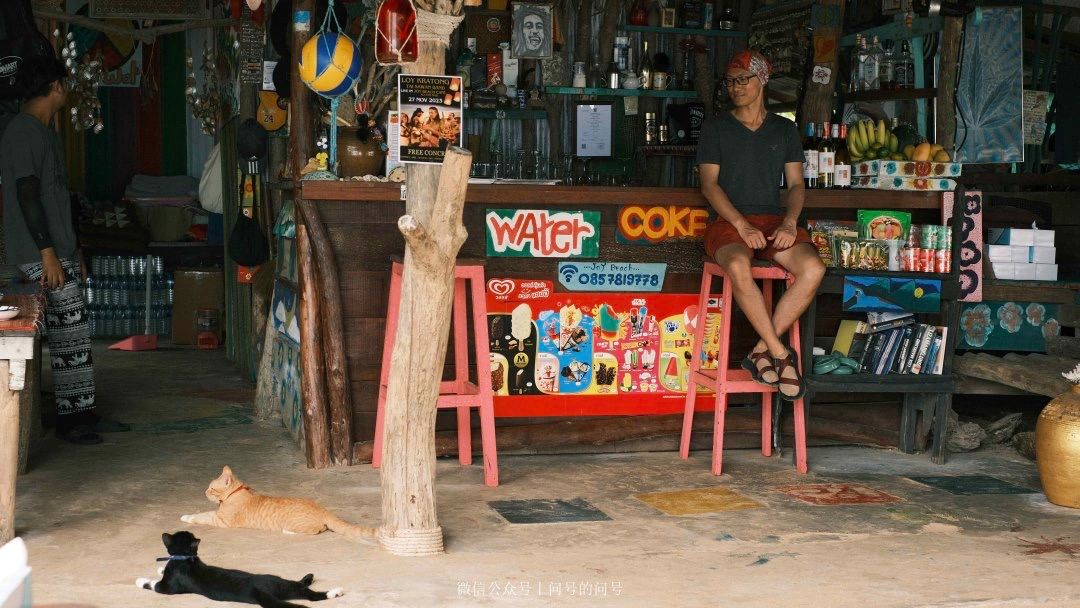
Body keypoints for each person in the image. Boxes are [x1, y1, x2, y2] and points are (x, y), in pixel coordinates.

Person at [0, 55, 129, 444]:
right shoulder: (22, 133)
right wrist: (47, 253)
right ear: (55, 86)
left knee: (72, 333)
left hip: (60, 251)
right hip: (38, 253)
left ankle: (82, 413)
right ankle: (73, 422)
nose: (67, 91)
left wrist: (74, 252)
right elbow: (27, 196)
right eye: (65, 84)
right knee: (67, 333)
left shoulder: (45, 132)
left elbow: (56, 198)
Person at [695, 50, 826, 401]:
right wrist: (740, 225)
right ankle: (781, 354)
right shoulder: (716, 129)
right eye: (731, 81)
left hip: (773, 221)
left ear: (762, 80)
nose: (736, 87)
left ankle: (758, 352)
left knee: (813, 269)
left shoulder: (784, 130)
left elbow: (796, 186)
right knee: (739, 264)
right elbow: (709, 185)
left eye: (743, 80)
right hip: (727, 222)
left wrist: (789, 222)